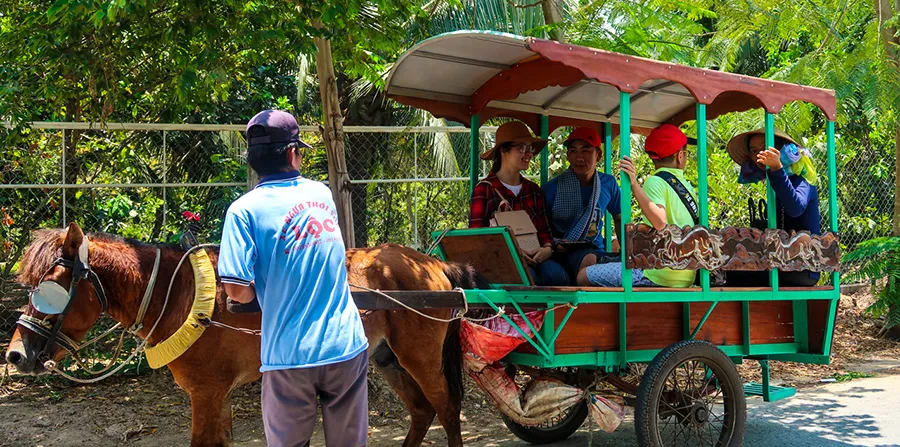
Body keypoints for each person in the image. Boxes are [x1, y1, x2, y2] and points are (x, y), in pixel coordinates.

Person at [218, 110, 369, 446]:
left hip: (288, 358)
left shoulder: (243, 211)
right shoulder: (322, 194)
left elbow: (235, 288)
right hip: (346, 346)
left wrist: (264, 293)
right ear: (291, 152)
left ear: (253, 160)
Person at [577, 124, 698, 288]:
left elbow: (660, 222)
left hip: (656, 273)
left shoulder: (656, 182)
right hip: (684, 275)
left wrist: (634, 184)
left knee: (583, 275)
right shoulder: (688, 188)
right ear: (680, 156)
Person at [469, 121, 569, 286]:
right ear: (503, 150)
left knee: (558, 277)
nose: (528, 154)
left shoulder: (534, 190)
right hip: (503, 260)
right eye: (521, 148)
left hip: (537, 257)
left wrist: (547, 248)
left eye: (530, 148)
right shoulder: (484, 190)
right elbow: (477, 237)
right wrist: (512, 252)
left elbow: (544, 230)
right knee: (527, 281)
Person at [725, 128, 821, 286]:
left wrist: (777, 169)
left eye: (763, 148)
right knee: (730, 271)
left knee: (735, 276)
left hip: (804, 267)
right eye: (754, 151)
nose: (758, 155)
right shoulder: (774, 183)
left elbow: (795, 208)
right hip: (780, 262)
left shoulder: (802, 180)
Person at [543, 127, 622, 280]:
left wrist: (625, 252)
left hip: (594, 250)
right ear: (568, 156)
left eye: (585, 151)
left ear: (598, 155)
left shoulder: (608, 183)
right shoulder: (551, 188)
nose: (579, 158)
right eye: (573, 151)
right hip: (558, 251)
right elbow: (541, 226)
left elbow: (619, 217)